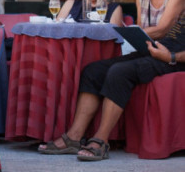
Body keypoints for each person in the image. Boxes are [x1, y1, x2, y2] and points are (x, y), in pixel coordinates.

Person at [37, 11, 185, 161]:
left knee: (119, 72)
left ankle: (101, 140)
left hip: (175, 60)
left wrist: (171, 57)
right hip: (161, 50)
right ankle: (74, 137)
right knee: (93, 71)